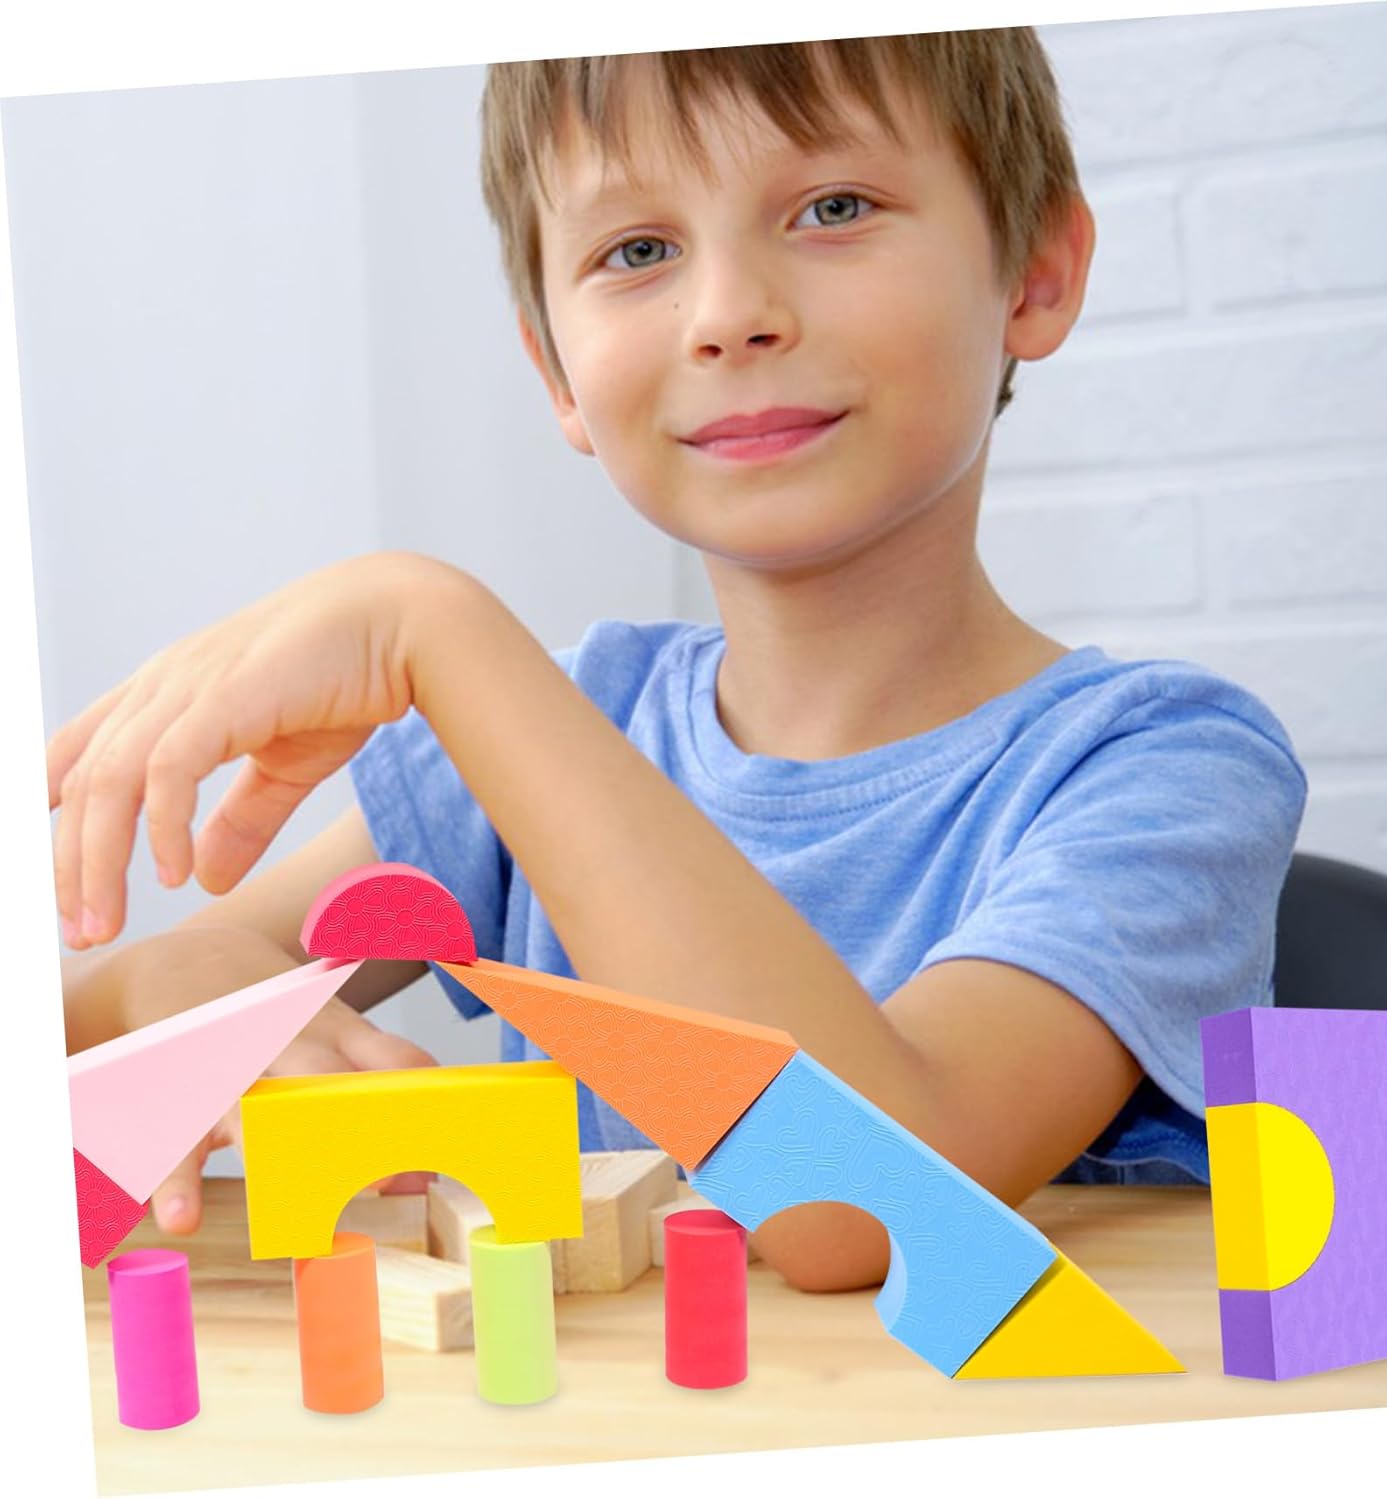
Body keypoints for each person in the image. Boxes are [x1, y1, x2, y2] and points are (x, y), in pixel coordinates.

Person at [49, 31, 1307, 1293]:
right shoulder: (567, 722)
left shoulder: (1169, 771)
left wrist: (436, 629)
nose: (727, 316)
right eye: (638, 250)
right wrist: (175, 975)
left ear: (1034, 271)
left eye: (834, 207)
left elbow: (860, 1208)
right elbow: (92, 1029)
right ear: (556, 371)